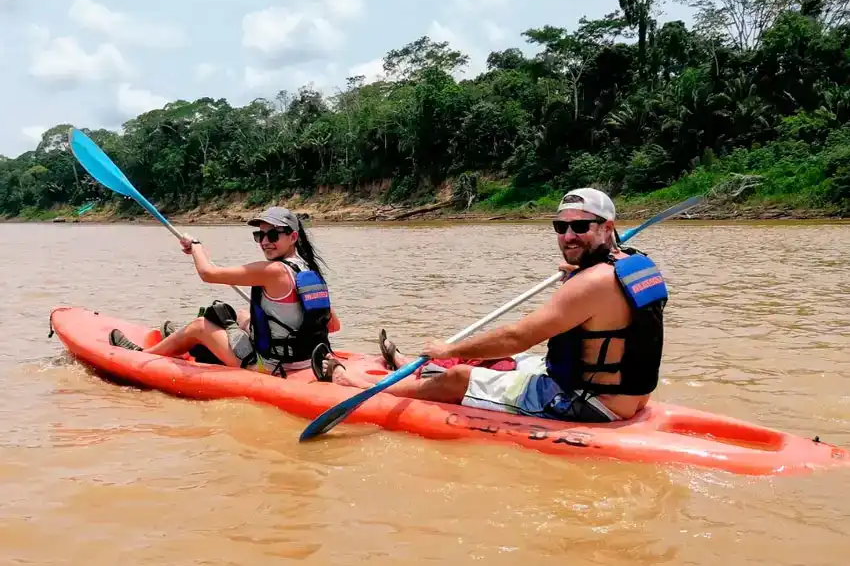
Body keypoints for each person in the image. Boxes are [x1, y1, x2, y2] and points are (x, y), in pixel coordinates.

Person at [315, 188, 667, 423]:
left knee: (458, 376)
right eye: (561, 226)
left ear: (607, 228)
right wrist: (582, 270)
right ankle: (412, 365)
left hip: (585, 401)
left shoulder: (590, 283)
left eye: (579, 226)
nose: (568, 235)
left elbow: (517, 335)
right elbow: (609, 309)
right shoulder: (634, 264)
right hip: (630, 396)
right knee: (505, 362)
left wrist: (449, 348)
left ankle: (356, 387)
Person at [109, 206, 341, 377]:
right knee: (242, 315)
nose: (265, 242)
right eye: (260, 235)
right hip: (308, 358)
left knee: (199, 325)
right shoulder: (309, 270)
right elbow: (332, 325)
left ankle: (144, 354)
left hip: (271, 366)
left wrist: (196, 246)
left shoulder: (273, 270)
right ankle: (179, 340)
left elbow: (208, 273)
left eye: (273, 235)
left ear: (293, 237)